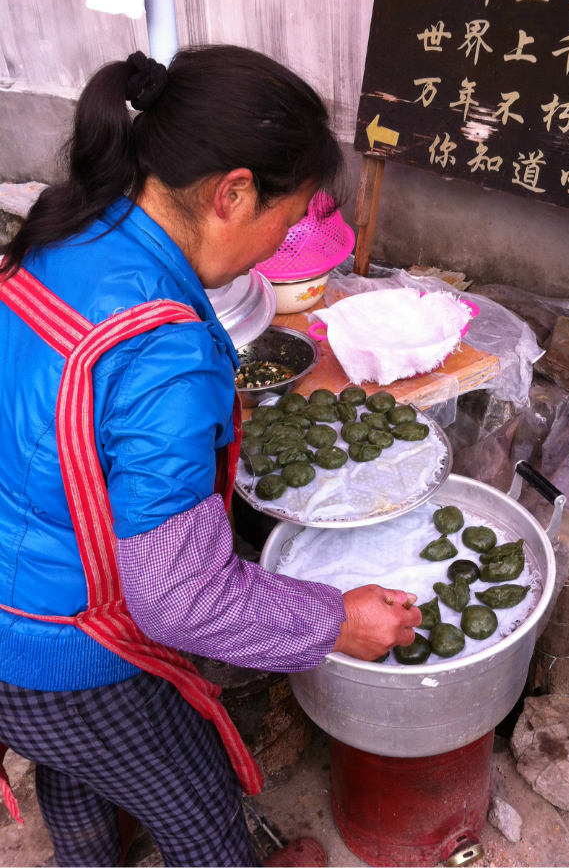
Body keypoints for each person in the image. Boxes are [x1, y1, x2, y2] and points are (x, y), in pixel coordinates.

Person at [0, 46, 421, 868]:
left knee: (78, 766)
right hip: (66, 642)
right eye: (288, 215)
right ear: (232, 192)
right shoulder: (167, 354)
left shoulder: (69, 230)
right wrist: (336, 620)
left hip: (18, 609)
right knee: (196, 803)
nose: (278, 247)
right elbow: (178, 597)